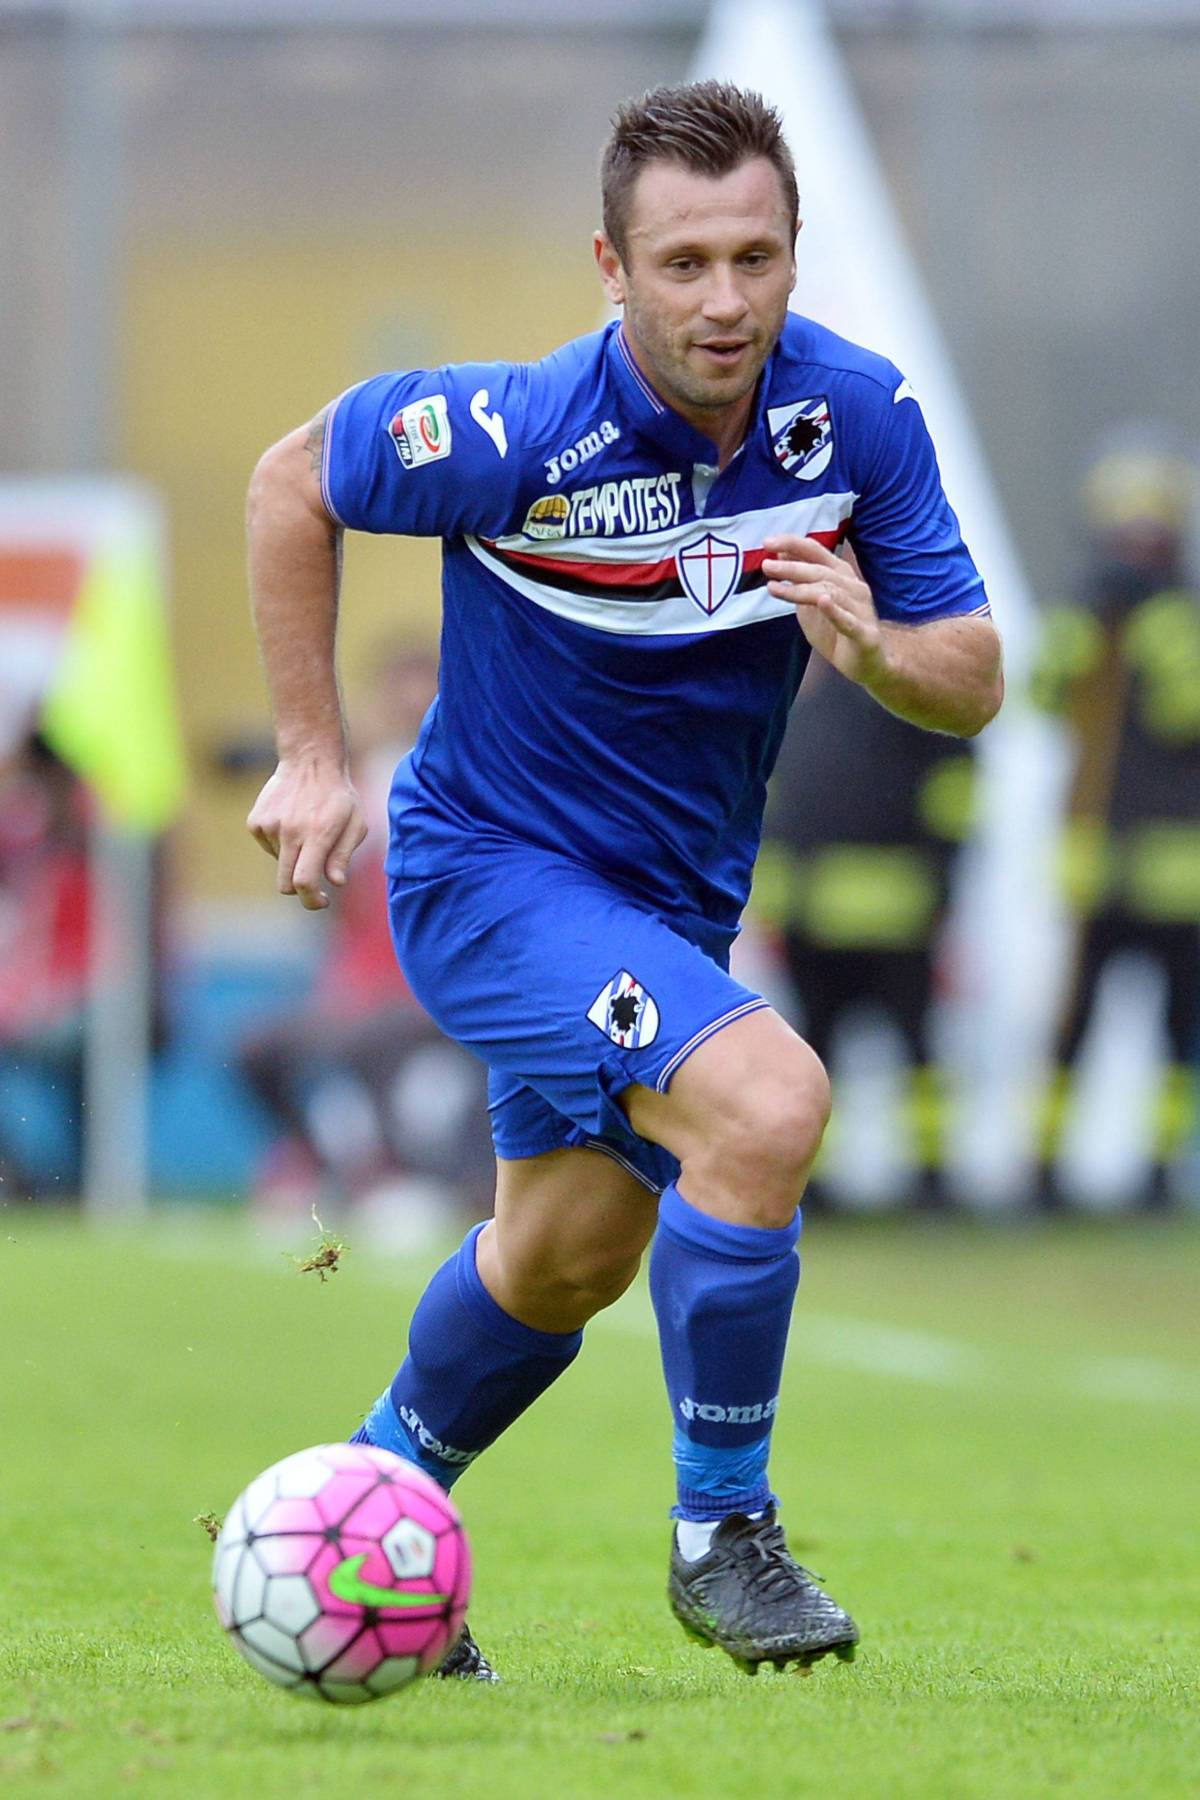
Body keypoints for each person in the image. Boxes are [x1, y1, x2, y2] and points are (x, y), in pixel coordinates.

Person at [245, 81, 1003, 1682]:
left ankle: (362, 1521)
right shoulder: (519, 429)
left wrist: (876, 649)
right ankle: (722, 1539)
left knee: (564, 1257)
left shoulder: (851, 420)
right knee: (770, 1103)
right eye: (682, 264)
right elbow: (288, 482)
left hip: (665, 914)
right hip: (490, 874)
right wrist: (313, 756)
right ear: (612, 264)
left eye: (755, 257)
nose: (722, 300)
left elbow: (976, 675)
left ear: (794, 256)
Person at [1033, 436, 1200, 1208]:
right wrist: (1084, 627)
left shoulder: (1182, 621)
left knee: (1178, 1036)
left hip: (1176, 878)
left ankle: (1162, 1172)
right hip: (1095, 863)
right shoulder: (1088, 617)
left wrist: (1154, 624)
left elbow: (1184, 711)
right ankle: (1047, 1169)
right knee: (1072, 1029)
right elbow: (1043, 697)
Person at [755, 644, 977, 1209]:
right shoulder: (813, 699)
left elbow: (953, 796)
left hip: (887, 914)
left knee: (893, 1052)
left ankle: (924, 1175)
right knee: (828, 1056)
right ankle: (874, 1179)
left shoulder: (882, 697)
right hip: (833, 916)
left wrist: (941, 887)